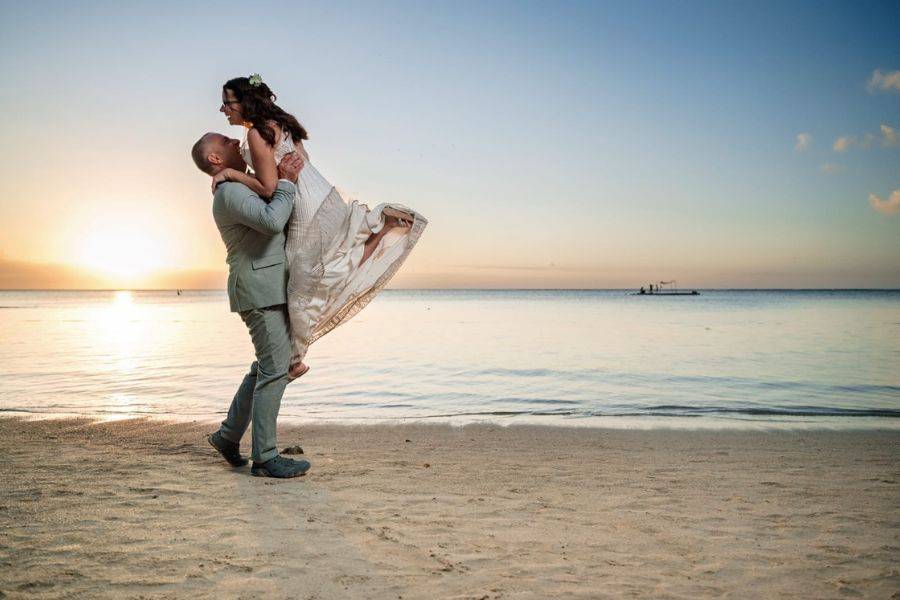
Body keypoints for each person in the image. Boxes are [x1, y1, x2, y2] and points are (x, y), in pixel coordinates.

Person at [213, 74, 427, 380]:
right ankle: (379, 229)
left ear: (244, 101)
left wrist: (231, 174)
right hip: (327, 198)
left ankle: (293, 360)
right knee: (328, 271)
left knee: (299, 288)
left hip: (306, 210)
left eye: (226, 103)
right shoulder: (281, 124)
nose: (223, 109)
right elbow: (303, 160)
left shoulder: (257, 134)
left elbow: (270, 188)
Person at [191, 131, 310, 479]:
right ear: (215, 158)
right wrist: (287, 182)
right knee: (274, 372)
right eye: (225, 141)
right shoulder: (229, 192)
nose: (235, 140)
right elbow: (272, 222)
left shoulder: (241, 184)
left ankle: (227, 437)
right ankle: (265, 458)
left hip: (267, 288)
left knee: (265, 368)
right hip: (259, 290)